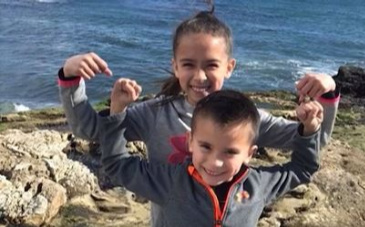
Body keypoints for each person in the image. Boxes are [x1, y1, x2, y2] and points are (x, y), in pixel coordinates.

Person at [57, 4, 339, 226]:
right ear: (175, 66)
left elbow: (313, 139)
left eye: (211, 65)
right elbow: (89, 130)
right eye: (189, 64)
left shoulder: (244, 119)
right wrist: (71, 78)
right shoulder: (155, 114)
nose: (200, 75)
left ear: (229, 67)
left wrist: (325, 96)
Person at [98, 89, 322, 227]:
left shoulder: (258, 185)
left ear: (250, 154)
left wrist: (309, 130)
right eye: (205, 146)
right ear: (190, 142)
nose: (215, 162)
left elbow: (302, 168)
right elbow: (117, 165)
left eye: (230, 151)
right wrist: (117, 112)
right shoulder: (171, 182)